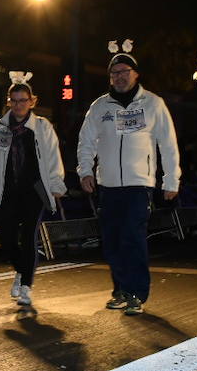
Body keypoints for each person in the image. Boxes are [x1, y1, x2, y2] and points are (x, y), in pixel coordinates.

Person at [77, 47, 180, 315]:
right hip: (108, 185)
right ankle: (121, 290)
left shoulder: (153, 103)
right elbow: (86, 141)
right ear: (109, 77)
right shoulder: (99, 107)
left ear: (136, 74)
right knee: (112, 241)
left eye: (125, 72)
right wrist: (85, 170)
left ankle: (136, 293)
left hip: (139, 184)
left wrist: (171, 180)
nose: (120, 76)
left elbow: (168, 144)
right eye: (115, 72)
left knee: (132, 238)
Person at [0, 81, 66, 312]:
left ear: (32, 101)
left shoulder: (42, 127)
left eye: (23, 100)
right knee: (6, 239)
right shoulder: (0, 128)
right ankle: (20, 269)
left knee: (28, 237)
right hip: (8, 191)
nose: (18, 105)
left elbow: (53, 157)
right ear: (9, 102)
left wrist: (56, 184)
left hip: (34, 190)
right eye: (14, 101)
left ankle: (26, 284)